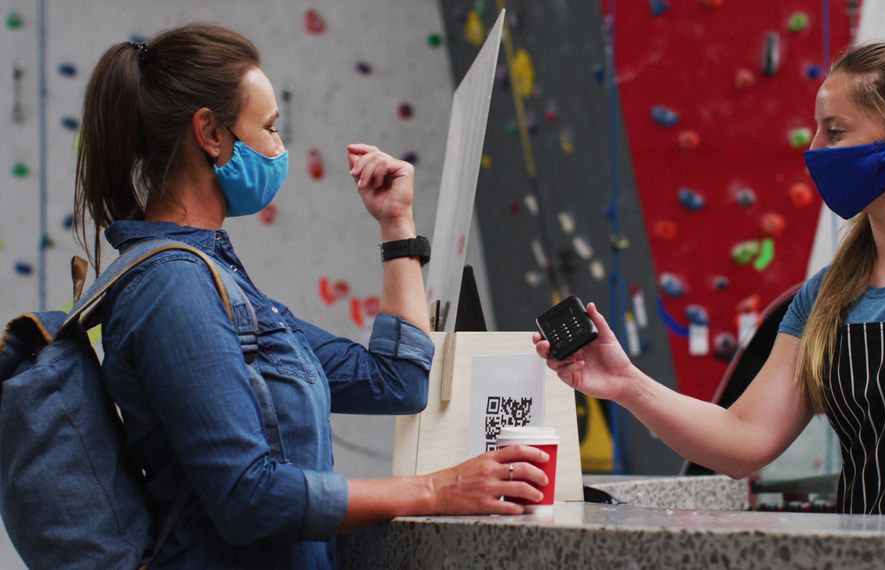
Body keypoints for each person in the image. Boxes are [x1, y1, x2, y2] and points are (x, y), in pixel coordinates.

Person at [535, 42, 885, 516]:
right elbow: (744, 438)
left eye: (834, 131)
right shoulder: (824, 296)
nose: (813, 150)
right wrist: (627, 384)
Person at [75, 24, 547, 568]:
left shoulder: (219, 283)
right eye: (270, 128)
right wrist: (435, 490)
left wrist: (396, 223)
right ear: (211, 134)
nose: (279, 149)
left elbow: (399, 381)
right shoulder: (171, 289)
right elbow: (247, 497)